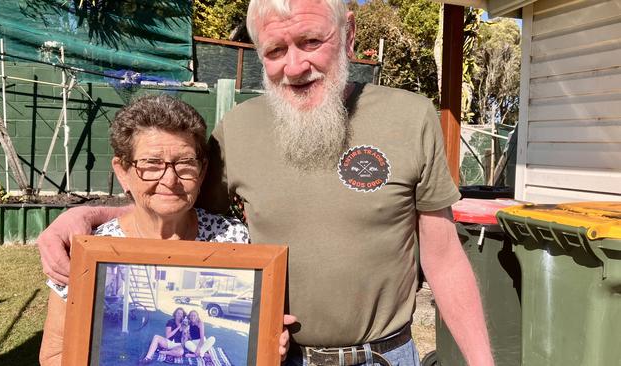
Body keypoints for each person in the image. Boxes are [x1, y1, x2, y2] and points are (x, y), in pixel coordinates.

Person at [37, 1, 495, 365]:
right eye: (276, 51)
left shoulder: (410, 116)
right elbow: (178, 206)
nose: (294, 67)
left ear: (349, 34)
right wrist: (89, 216)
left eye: (311, 41)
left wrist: (481, 363)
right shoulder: (236, 130)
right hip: (278, 357)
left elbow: (443, 255)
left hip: (387, 356)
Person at [38, 95, 250, 366]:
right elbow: (55, 355)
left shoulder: (233, 238)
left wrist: (265, 345)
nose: (170, 179)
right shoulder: (88, 253)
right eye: (151, 164)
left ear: (203, 169)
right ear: (123, 171)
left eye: (185, 162)